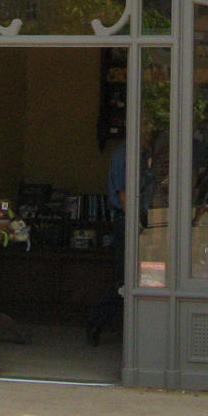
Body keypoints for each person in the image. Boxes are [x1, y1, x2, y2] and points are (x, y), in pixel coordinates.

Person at [86, 137, 126, 347]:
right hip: (127, 220)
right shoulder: (124, 154)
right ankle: (96, 318)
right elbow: (123, 194)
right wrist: (135, 222)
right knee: (126, 280)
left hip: (137, 219)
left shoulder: (141, 153)